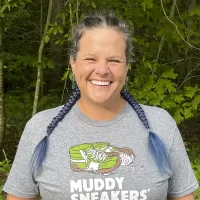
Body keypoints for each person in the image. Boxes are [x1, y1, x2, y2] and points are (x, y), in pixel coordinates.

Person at [3, 11, 199, 200]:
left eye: (114, 60)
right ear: (73, 63)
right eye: (91, 59)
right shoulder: (40, 129)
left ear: (127, 67)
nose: (102, 70)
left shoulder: (160, 124)